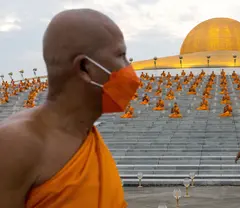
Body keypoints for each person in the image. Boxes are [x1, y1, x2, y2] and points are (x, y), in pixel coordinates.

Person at [0, 9, 138, 207]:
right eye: (121, 55)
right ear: (85, 68)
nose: (129, 69)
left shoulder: (86, 135)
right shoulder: (17, 145)